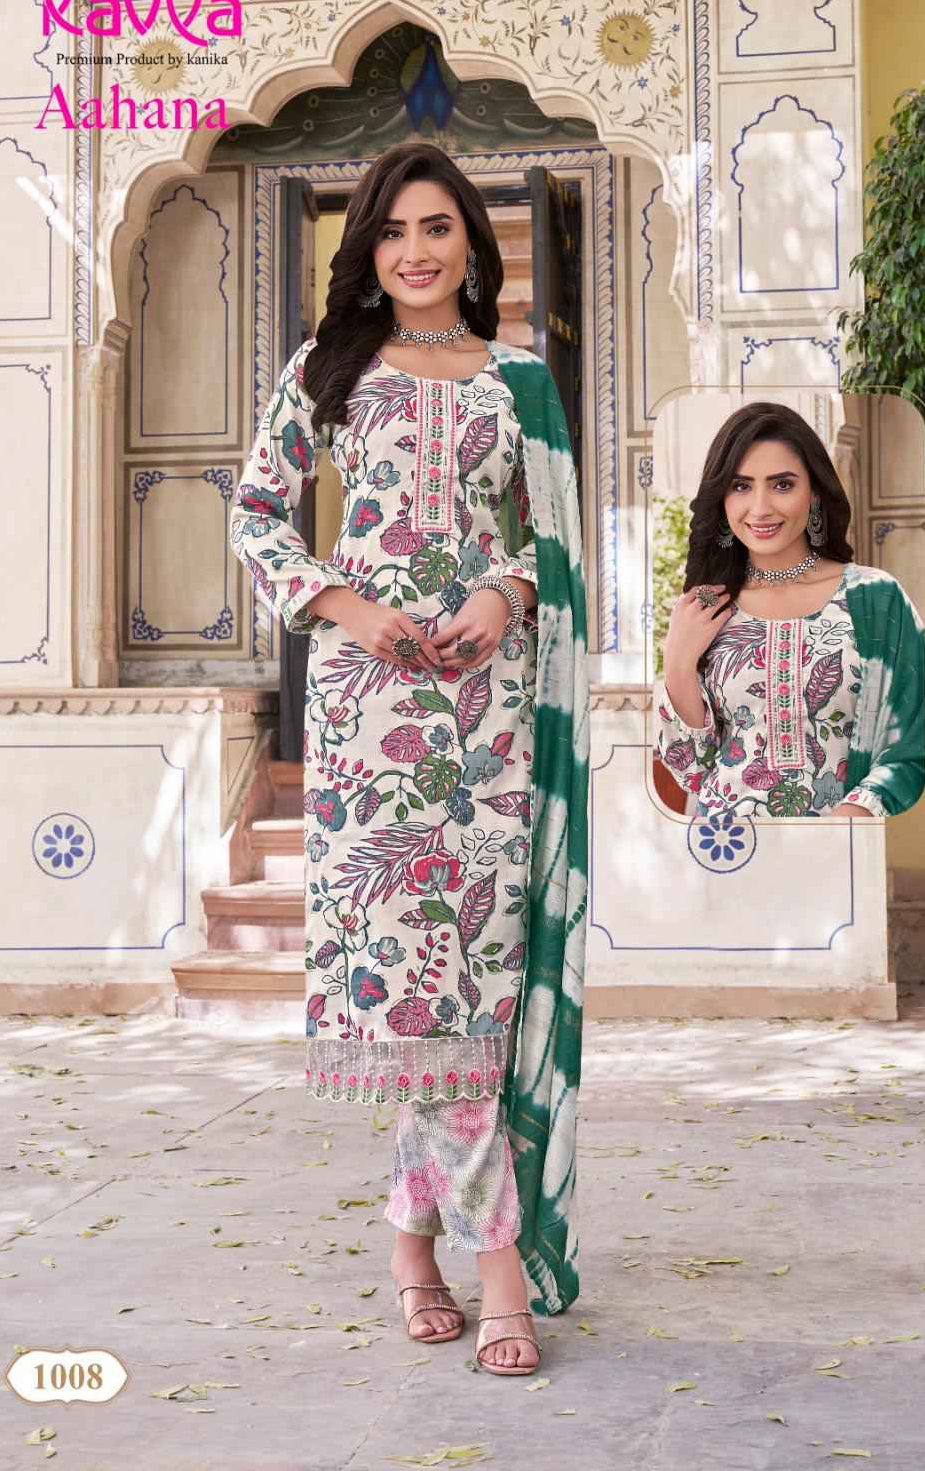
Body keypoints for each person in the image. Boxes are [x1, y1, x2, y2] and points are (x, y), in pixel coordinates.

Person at [230, 142, 587, 1378]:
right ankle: (498, 1272)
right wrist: (343, 604)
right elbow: (256, 511)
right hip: (370, 711)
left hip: (487, 710)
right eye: (392, 230)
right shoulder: (326, 369)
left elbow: (558, 539)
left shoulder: (522, 381)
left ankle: (411, 1244)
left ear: (473, 245)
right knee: (415, 985)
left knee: (467, 987)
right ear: (367, 249)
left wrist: (504, 589)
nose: (416, 250)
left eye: (438, 227)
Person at [657, 400, 925, 820]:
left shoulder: (876, 598)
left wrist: (850, 820)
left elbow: (907, 750)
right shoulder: (705, 606)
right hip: (725, 847)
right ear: (722, 498)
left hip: (841, 847)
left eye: (782, 485)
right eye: (741, 486)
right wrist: (677, 662)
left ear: (814, 493)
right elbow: (691, 771)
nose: (760, 507)